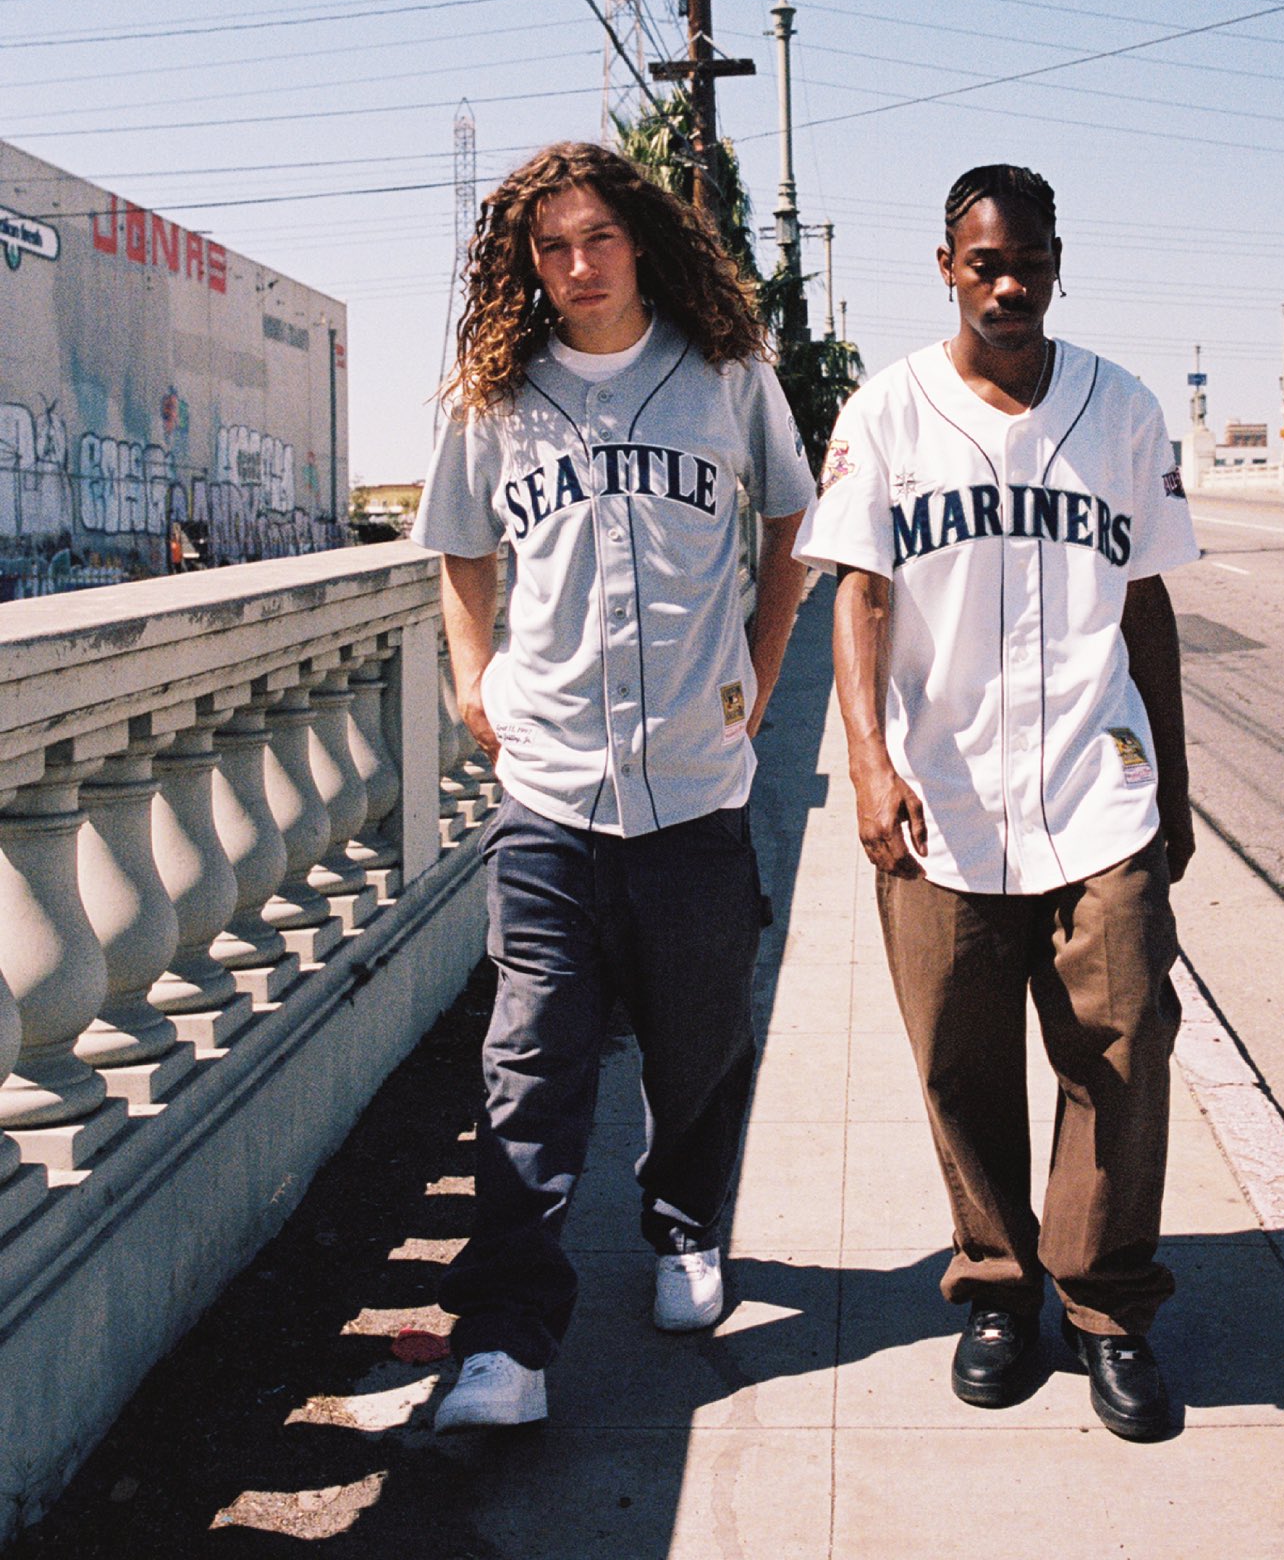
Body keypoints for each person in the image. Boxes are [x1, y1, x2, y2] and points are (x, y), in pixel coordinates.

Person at [412, 140, 815, 1432]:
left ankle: (686, 1227)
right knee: (529, 1064)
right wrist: (472, 676)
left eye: (595, 237)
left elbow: (788, 524)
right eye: (549, 247)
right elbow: (460, 552)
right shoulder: (495, 395)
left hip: (695, 785)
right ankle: (505, 1344)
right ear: (522, 265)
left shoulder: (725, 376)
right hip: (549, 790)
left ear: (639, 238)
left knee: (699, 1039)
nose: (575, 266)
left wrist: (756, 671)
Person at [796, 163, 1199, 1441]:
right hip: (944, 796)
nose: (1009, 283)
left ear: (1058, 259)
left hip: (1096, 787)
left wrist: (1175, 786)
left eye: (1029, 259)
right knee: (958, 1062)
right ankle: (995, 1284)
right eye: (986, 262)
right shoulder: (889, 411)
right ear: (947, 266)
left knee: (1125, 1045)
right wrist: (867, 758)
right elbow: (857, 592)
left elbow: (1147, 600)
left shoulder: (1122, 407)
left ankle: (1106, 1306)